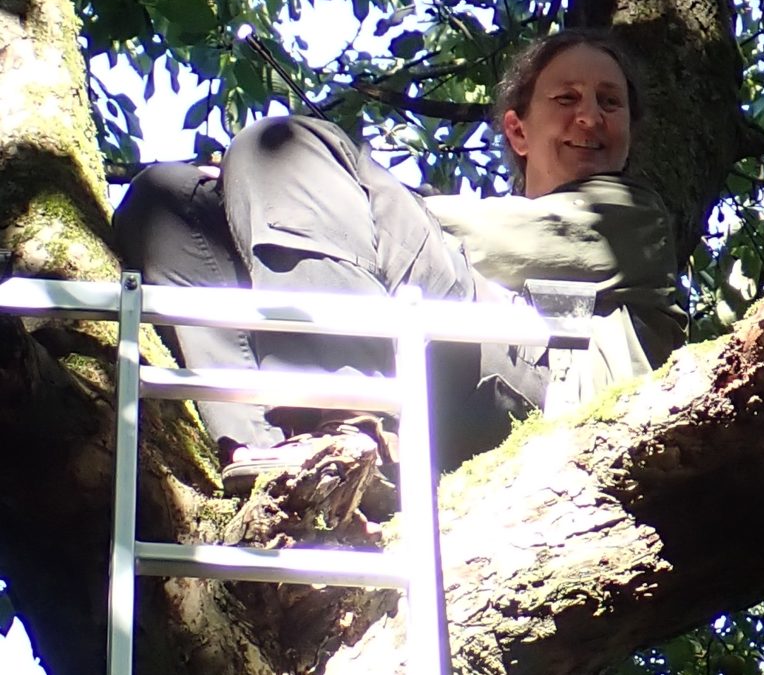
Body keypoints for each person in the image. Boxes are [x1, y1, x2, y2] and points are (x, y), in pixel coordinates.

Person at [113, 29, 686, 490]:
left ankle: (343, 413)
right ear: (517, 130)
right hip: (434, 387)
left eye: (610, 103)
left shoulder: (633, 219)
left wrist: (329, 184)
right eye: (566, 99)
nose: (590, 117)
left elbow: (470, 236)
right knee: (171, 199)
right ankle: (271, 461)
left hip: (544, 410)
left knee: (285, 143)